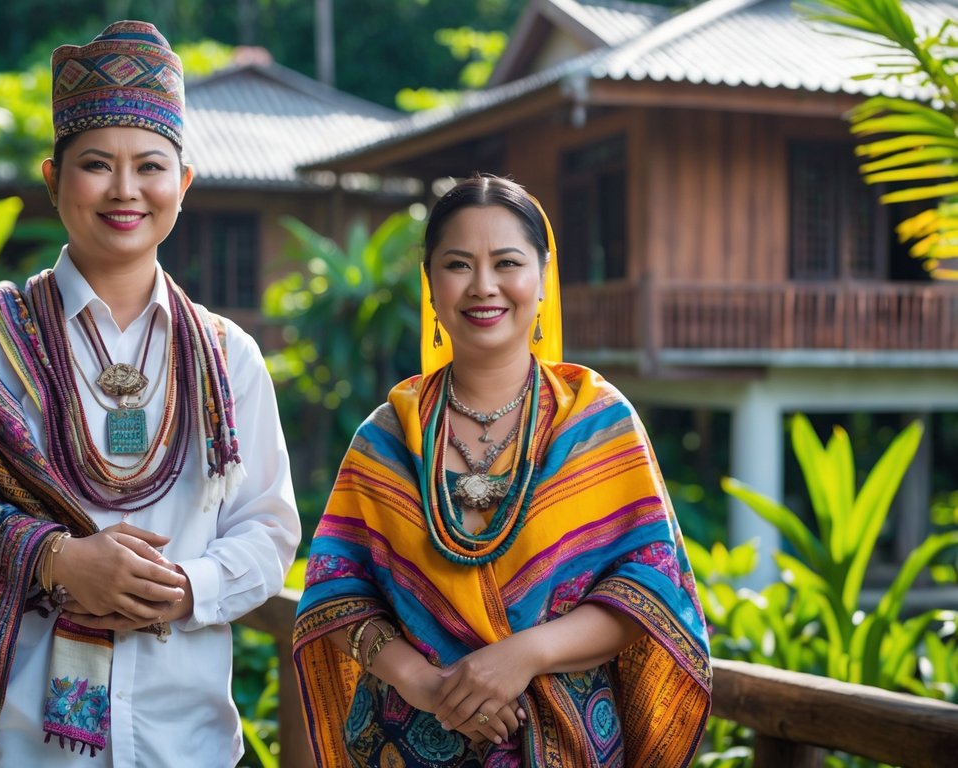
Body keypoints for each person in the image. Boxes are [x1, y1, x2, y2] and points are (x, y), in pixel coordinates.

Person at [0, 21, 300, 767]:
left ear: (183, 185)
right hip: (18, 743)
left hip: (185, 741)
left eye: (151, 167)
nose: (126, 190)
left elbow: (269, 529)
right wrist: (53, 560)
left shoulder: (230, 357)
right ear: (52, 179)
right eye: (97, 164)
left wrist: (188, 586)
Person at [292, 175, 710, 767]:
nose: (484, 286)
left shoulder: (597, 423)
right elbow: (337, 590)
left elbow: (650, 589)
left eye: (507, 263)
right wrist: (422, 683)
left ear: (542, 279)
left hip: (570, 745)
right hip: (405, 742)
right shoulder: (387, 436)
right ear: (432, 286)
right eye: (458, 264)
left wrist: (524, 654)